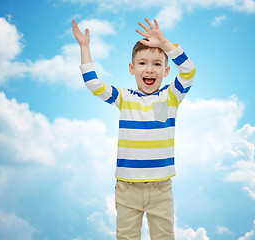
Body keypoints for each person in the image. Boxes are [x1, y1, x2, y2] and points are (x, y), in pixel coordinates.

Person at [72, 17, 196, 240]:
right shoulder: (124, 98)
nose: (150, 69)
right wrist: (84, 47)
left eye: (157, 64)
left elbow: (188, 71)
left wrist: (165, 43)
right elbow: (93, 84)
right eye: (142, 63)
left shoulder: (171, 96)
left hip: (161, 188)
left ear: (166, 70)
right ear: (132, 68)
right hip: (127, 189)